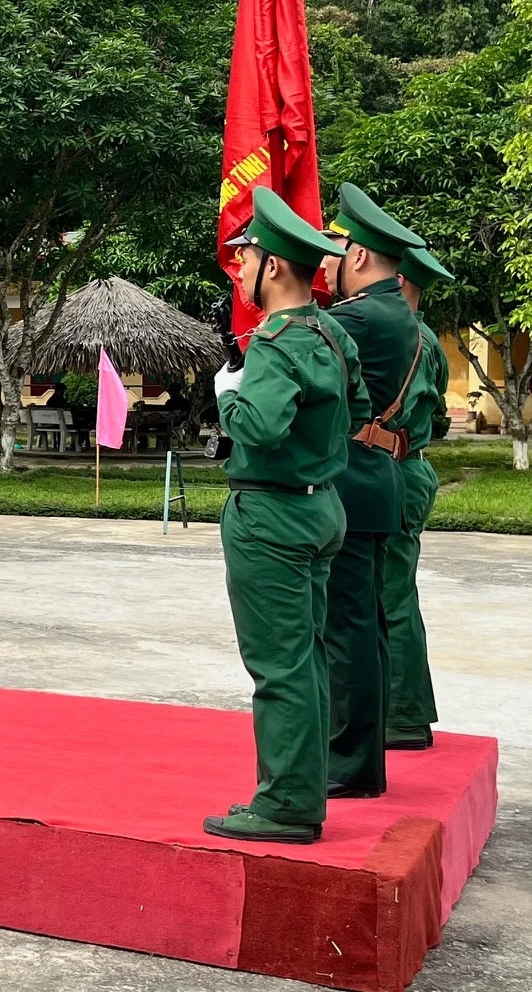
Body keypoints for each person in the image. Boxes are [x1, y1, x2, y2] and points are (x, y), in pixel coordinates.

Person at [202, 188, 359, 845]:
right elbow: (359, 406)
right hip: (321, 506)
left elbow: (260, 428)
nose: (238, 269)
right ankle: (303, 788)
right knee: (307, 659)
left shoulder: (274, 343)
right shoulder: (331, 332)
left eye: (245, 258)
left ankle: (287, 805)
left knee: (280, 666)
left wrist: (228, 396)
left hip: (271, 515)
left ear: (272, 266)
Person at [320, 184, 425, 802]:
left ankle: (351, 762)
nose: (323, 264)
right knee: (366, 626)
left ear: (358, 256)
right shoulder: (394, 312)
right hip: (374, 480)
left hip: (352, 482)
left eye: (332, 251)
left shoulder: (358, 317)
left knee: (348, 629)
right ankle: (363, 758)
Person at [384, 245, 453, 752]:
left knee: (391, 595)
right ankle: (404, 712)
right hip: (410, 466)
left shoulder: (405, 338)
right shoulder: (425, 338)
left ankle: (404, 716)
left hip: (397, 469)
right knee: (395, 592)